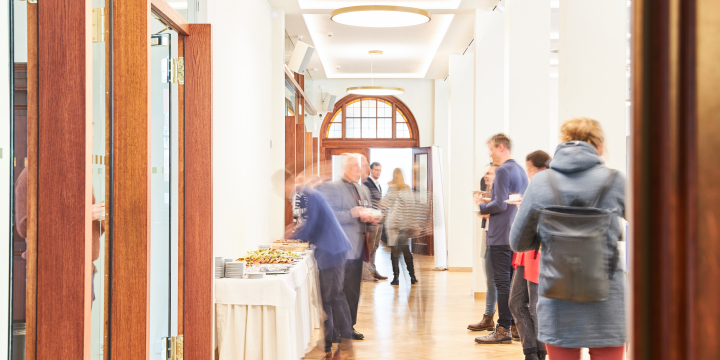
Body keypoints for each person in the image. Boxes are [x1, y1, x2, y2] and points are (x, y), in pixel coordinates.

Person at [510, 118, 626, 360]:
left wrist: (548, 238)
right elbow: (652, 232)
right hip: (607, 303)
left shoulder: (542, 182)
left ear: (563, 143)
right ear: (600, 146)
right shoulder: (615, 181)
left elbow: (517, 242)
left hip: (558, 302)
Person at [281, 170, 355, 360]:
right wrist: (295, 235)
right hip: (330, 251)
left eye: (283, 188)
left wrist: (291, 238)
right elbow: (310, 226)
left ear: (288, 183)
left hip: (333, 250)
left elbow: (310, 226)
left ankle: (344, 344)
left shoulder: (308, 195)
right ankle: (329, 344)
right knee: (329, 298)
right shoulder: (309, 194)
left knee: (334, 298)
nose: (284, 192)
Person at [474, 133, 528, 345]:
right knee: (513, 283)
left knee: (502, 283)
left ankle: (503, 328)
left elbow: (499, 205)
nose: (489, 153)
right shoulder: (520, 170)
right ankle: (514, 326)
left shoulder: (504, 169)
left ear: (500, 148)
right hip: (514, 233)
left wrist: (481, 204)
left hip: (500, 235)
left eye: (491, 149)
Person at [319, 154, 380, 341]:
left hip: (358, 248)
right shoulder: (332, 188)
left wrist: (372, 219)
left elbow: (366, 211)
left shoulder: (363, 189)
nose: (359, 170)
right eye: (354, 166)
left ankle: (349, 327)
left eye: (360, 166)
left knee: (353, 291)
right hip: (338, 249)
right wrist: (352, 213)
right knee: (337, 291)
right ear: (345, 168)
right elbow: (328, 216)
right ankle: (335, 329)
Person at [508, 150, 551, 360]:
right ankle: (531, 351)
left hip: (540, 255)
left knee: (535, 309)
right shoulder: (535, 188)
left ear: (542, 169)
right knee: (515, 303)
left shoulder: (550, 189)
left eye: (529, 170)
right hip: (524, 253)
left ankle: (539, 353)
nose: (527, 175)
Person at [467, 163, 499, 331]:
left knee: (498, 281)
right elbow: (486, 214)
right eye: (485, 173)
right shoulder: (488, 190)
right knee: (490, 280)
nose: (485, 176)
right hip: (488, 234)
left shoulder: (501, 193)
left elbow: (489, 213)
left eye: (489, 173)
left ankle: (506, 322)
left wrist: (480, 204)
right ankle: (488, 317)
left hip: (498, 239)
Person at [381, 168, 418, 286]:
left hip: (392, 223)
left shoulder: (392, 188)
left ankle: (396, 278)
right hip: (403, 224)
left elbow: (383, 203)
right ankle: (412, 277)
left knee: (394, 251)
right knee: (406, 250)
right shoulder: (407, 189)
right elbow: (411, 206)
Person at [362, 162, 387, 281]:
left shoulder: (377, 184)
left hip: (379, 220)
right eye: (376, 170)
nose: (378, 172)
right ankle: (366, 273)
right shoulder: (367, 183)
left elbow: (377, 201)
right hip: (371, 222)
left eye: (380, 170)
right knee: (370, 248)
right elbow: (367, 202)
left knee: (375, 247)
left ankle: (373, 271)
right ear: (371, 170)